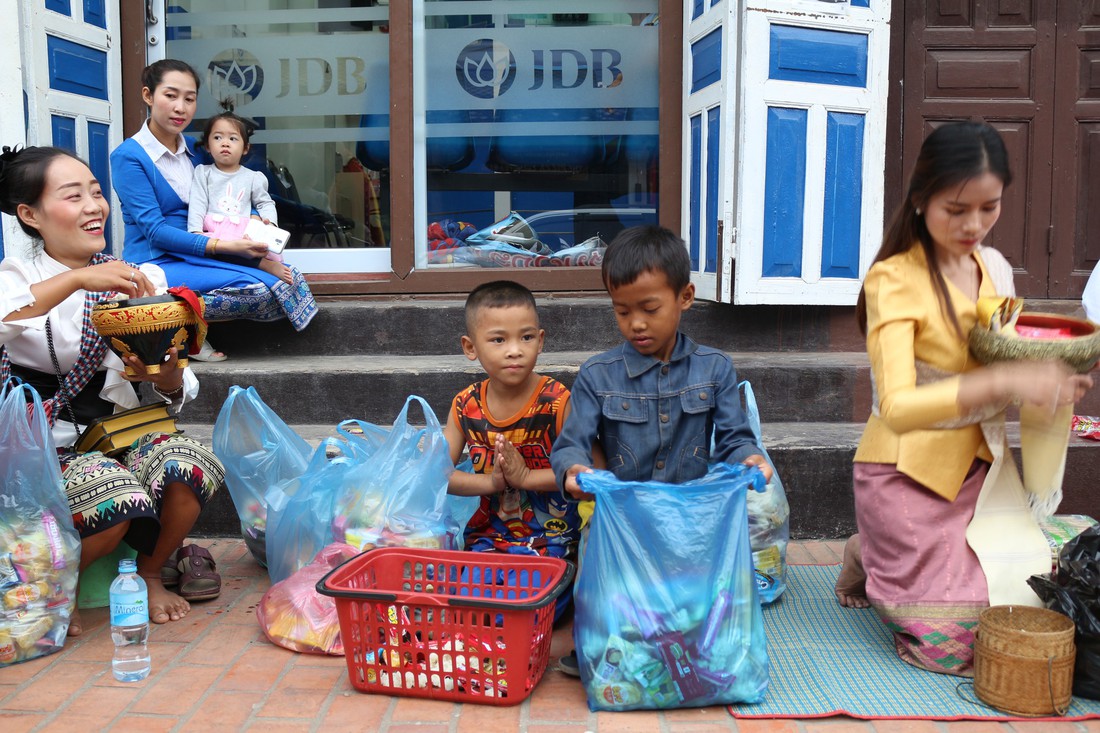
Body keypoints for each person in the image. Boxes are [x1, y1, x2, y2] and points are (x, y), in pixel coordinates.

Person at [836, 121, 1092, 676]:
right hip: (905, 473)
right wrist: (1002, 385)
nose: (974, 225)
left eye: (989, 207)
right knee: (955, 645)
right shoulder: (893, 279)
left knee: (1045, 596)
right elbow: (898, 407)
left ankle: (877, 553)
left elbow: (1014, 359)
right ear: (922, 198)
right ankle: (870, 548)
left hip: (981, 470)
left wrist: (1053, 385)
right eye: (957, 210)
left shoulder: (994, 269)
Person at [0, 145, 225, 635]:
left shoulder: (138, 278)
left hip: (113, 436)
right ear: (30, 214)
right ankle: (53, 589)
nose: (93, 206)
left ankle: (148, 575)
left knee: (188, 461)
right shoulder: (17, 278)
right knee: (115, 492)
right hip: (41, 450)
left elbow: (176, 381)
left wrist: (162, 375)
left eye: (97, 193)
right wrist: (78, 278)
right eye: (73, 195)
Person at [549, 224, 773, 674]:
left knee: (694, 602)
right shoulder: (598, 374)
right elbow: (572, 442)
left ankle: (697, 647)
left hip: (691, 516)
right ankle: (600, 643)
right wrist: (573, 470)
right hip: (623, 517)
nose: (636, 323)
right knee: (610, 585)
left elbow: (734, 437)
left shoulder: (715, 368)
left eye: (649, 308)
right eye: (622, 311)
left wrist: (749, 457)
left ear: (685, 297)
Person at [110, 59, 317, 361]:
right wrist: (223, 245)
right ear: (148, 96)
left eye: (190, 99)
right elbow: (154, 231)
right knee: (256, 288)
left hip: (200, 250)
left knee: (286, 278)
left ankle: (180, 316)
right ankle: (179, 330)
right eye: (171, 95)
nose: (180, 107)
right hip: (157, 258)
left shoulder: (196, 149)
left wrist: (257, 217)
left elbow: (233, 189)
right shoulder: (129, 157)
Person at [443, 280, 582, 619]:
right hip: (488, 539)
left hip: (552, 540)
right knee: (467, 605)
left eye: (526, 337)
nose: (515, 350)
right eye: (498, 339)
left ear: (541, 340)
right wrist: (492, 484)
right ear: (470, 346)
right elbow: (440, 476)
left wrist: (525, 477)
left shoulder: (557, 401)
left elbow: (585, 473)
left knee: (529, 610)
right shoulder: (465, 406)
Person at [186, 110, 291, 285]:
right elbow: (198, 202)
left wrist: (269, 224)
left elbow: (265, 202)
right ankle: (263, 265)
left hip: (243, 231)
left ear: (245, 148)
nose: (225, 143)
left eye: (233, 139)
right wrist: (196, 232)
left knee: (251, 246)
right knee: (218, 251)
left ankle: (265, 264)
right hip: (215, 230)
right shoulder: (203, 173)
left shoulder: (252, 177)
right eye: (218, 138)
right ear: (207, 146)